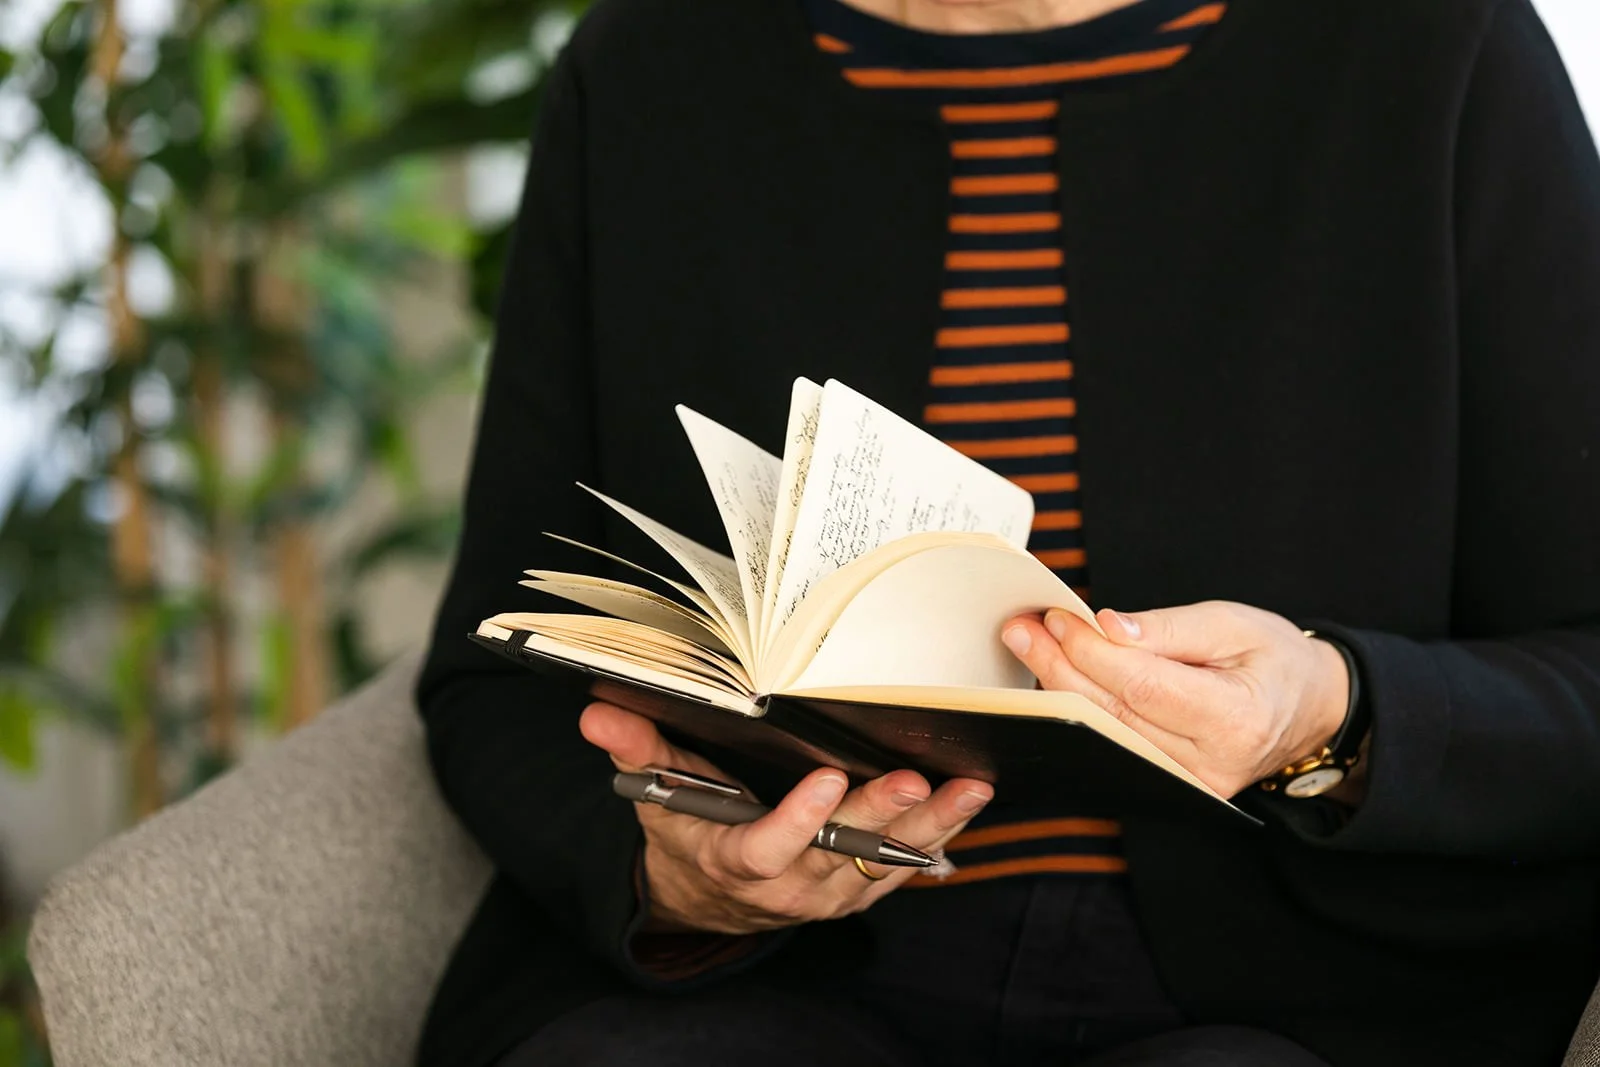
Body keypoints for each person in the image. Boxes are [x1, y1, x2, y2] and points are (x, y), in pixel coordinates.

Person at [415, 0, 1600, 1062]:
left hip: (1312, 987)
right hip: (774, 977)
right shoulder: (646, 73)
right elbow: (495, 666)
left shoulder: (1436, 49)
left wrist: (1331, 715)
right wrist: (671, 879)